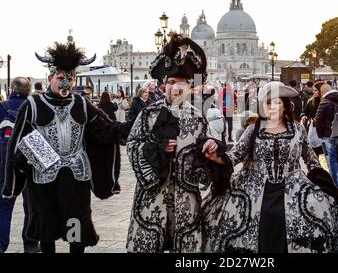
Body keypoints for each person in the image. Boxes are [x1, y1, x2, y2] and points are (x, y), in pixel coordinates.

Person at [2, 39, 131, 253]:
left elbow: (103, 128)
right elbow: (18, 141)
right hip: (42, 177)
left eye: (70, 78)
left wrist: (129, 128)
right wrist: (17, 172)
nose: (66, 83)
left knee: (76, 224)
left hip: (75, 175)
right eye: (61, 78)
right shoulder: (33, 105)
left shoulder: (81, 103)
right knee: (46, 225)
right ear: (50, 77)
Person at [202, 81, 338, 253]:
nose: (272, 107)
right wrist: (215, 156)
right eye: (268, 103)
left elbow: (312, 161)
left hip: (294, 188)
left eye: (277, 102)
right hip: (253, 189)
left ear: (285, 106)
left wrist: (324, 186)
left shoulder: (298, 130)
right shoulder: (252, 130)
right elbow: (234, 156)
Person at [126, 34, 230, 253]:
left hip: (186, 198)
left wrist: (210, 153)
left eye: (181, 84)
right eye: (171, 83)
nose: (175, 88)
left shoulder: (199, 118)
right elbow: (133, 144)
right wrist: (156, 150)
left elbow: (204, 163)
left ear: (190, 87)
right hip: (153, 195)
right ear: (164, 85)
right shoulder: (148, 114)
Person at [0, 77, 40, 253]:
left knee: (3, 206)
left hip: (4, 165)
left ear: (11, 88)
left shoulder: (1, 108)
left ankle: (1, 244)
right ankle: (30, 244)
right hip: (29, 164)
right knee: (30, 206)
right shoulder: (35, 109)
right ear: (29, 91)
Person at [315, 83, 338, 191]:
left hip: (328, 136)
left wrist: (320, 135)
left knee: (331, 160)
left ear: (323, 92)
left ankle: (335, 184)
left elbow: (318, 120)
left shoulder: (324, 103)